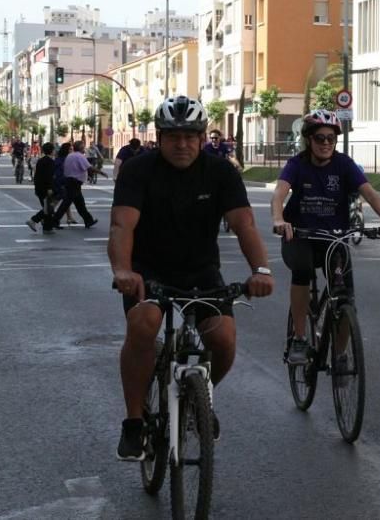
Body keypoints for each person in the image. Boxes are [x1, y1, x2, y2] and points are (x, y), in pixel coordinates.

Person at [110, 95, 274, 461]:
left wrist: (260, 270)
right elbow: (122, 225)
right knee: (145, 323)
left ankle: (198, 399)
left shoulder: (221, 172)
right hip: (147, 271)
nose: (182, 144)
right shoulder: (139, 170)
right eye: (173, 137)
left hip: (201, 270)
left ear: (202, 138)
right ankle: (134, 422)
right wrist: (123, 270)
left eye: (190, 136)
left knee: (225, 339)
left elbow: (243, 223)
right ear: (160, 137)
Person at [271, 109, 380, 364]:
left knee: (345, 295)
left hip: (334, 237)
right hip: (300, 235)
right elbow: (279, 194)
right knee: (303, 272)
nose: (326, 143)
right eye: (320, 138)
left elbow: (370, 193)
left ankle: (340, 355)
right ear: (308, 139)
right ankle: (299, 338)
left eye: (331, 138)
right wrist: (279, 220)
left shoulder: (344, 164)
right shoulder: (297, 164)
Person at [50, 140, 100, 228]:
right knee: (66, 204)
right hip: (74, 182)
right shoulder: (79, 156)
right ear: (80, 148)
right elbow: (89, 167)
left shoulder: (70, 155)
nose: (84, 148)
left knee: (80, 203)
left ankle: (88, 220)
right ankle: (54, 221)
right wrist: (101, 172)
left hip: (71, 182)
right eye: (83, 146)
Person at [26, 143, 57, 234]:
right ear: (51, 151)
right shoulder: (50, 162)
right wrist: (50, 188)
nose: (55, 151)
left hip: (39, 187)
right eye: (54, 149)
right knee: (48, 208)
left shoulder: (41, 160)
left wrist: (36, 187)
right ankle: (33, 221)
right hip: (46, 188)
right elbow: (49, 176)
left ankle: (47, 228)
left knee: (47, 208)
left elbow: (36, 175)